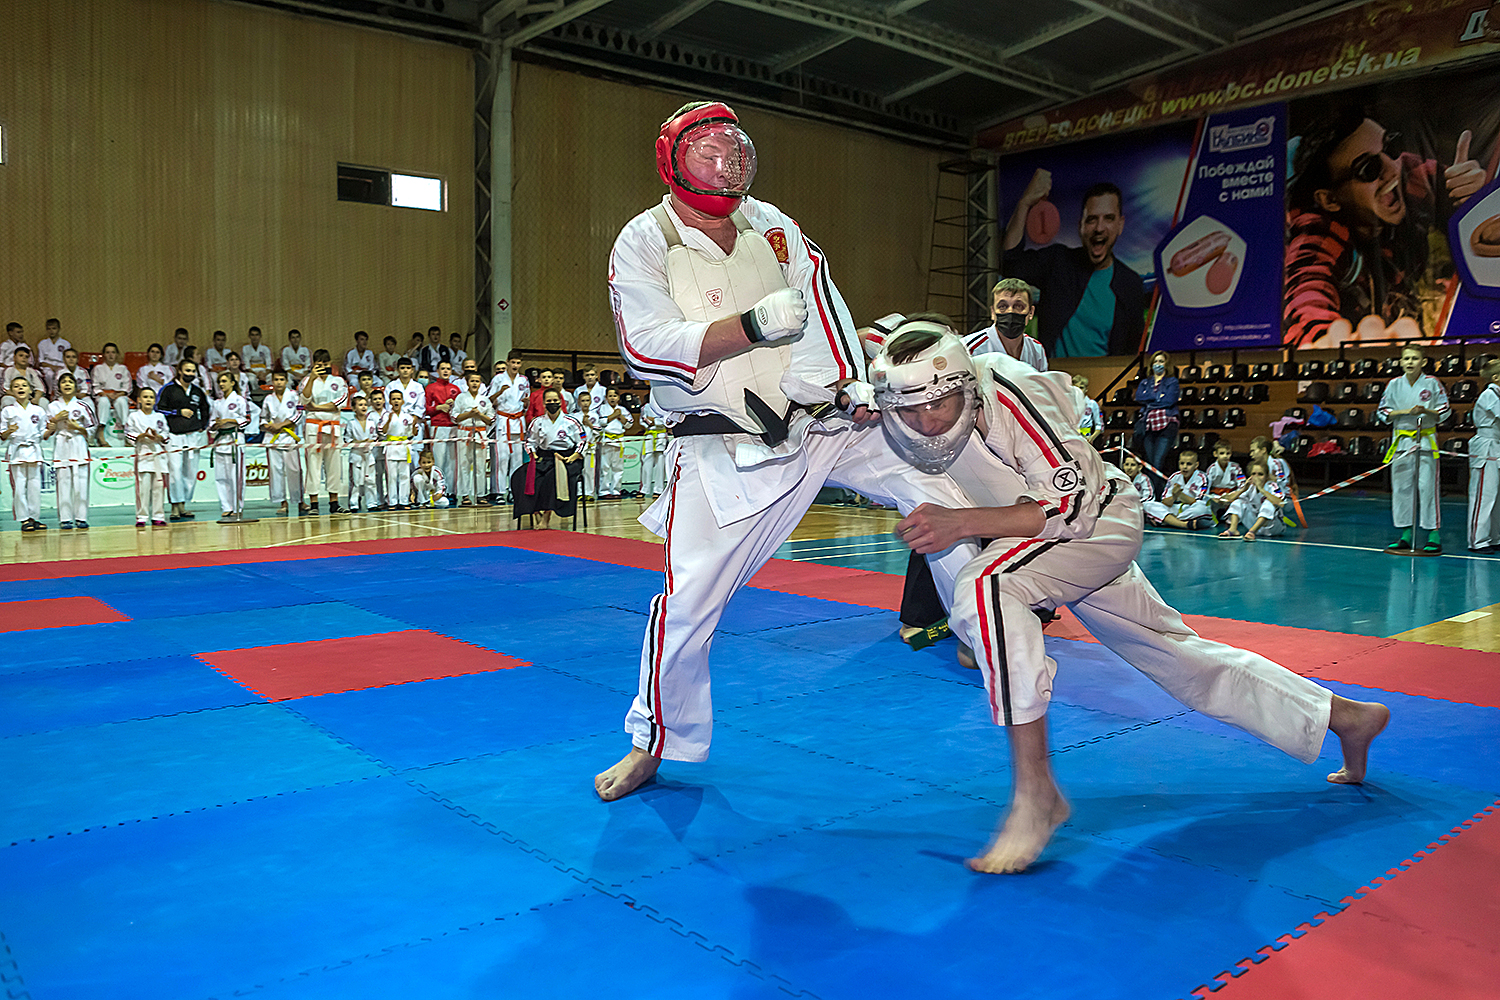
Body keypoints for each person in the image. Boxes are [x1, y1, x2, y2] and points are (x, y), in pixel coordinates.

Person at [868, 317, 1390, 872]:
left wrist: (961, 527)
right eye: (910, 410)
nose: (927, 419)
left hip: (1095, 523)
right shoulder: (887, 409)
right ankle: (1346, 717)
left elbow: (1070, 509)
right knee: (1180, 657)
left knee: (986, 585)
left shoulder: (1007, 397)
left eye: (942, 403)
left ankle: (1036, 793)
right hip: (1034, 545)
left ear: (966, 387)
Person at [594, 101, 983, 802]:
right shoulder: (644, 239)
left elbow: (824, 312)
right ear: (672, 160)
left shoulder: (773, 225)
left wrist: (847, 386)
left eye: (734, 150)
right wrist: (746, 326)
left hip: (823, 427)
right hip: (723, 448)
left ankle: (985, 630)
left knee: (946, 496)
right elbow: (645, 347)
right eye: (707, 152)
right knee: (687, 611)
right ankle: (652, 743)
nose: (726, 164)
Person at [1284, 109, 1486, 349]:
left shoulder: (1410, 174)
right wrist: (1321, 341)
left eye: (1390, 147)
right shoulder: (1318, 226)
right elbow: (1308, 291)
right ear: (1330, 200)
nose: (1392, 169)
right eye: (1368, 168)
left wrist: (1478, 197)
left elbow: (1466, 197)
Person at [1002, 174, 1145, 357]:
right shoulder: (1058, 261)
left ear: (1120, 225)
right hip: (1053, 381)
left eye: (1108, 218)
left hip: (1104, 381)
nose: (1099, 228)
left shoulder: (1130, 284)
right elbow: (1011, 264)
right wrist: (1024, 204)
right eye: (1092, 219)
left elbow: (1131, 352)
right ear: (1081, 226)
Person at [1378, 344, 1450, 554]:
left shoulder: (1432, 383)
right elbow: (1382, 411)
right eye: (1406, 358)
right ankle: (1406, 534)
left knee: (1427, 488)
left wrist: (1425, 410)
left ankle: (1433, 534)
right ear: (1401, 362)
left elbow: (1444, 410)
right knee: (1401, 489)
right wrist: (1403, 412)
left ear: (1423, 362)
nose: (1410, 362)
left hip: (1425, 441)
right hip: (1401, 442)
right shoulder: (1393, 385)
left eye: (1414, 358)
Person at [513, 386, 584, 529]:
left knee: (551, 477)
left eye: (555, 400)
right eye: (549, 401)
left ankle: (546, 517)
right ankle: (534, 511)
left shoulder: (571, 422)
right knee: (521, 475)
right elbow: (529, 442)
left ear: (560, 402)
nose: (552, 403)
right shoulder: (537, 422)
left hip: (567, 458)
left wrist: (575, 455)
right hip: (543, 457)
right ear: (544, 404)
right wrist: (532, 453)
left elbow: (583, 440)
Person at [157, 360, 210, 522]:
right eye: (187, 370)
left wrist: (203, 425)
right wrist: (178, 411)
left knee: (190, 472)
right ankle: (174, 505)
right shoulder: (168, 389)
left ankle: (183, 505)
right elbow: (158, 408)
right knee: (175, 471)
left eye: (193, 371)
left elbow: (205, 409)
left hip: (193, 435)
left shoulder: (197, 391)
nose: (190, 374)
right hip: (174, 435)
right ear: (180, 371)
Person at [300, 349, 349, 515]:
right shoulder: (307, 380)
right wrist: (312, 378)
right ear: (314, 364)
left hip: (333, 426)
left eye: (325, 364)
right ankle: (313, 504)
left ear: (330, 364)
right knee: (313, 464)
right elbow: (303, 402)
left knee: (334, 465)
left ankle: (334, 503)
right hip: (314, 426)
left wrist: (317, 407)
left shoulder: (339, 381)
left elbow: (340, 402)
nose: (322, 367)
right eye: (319, 364)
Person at [43, 372, 95, 530]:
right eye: (63, 382)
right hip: (62, 444)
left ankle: (81, 517)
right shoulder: (52, 406)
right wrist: (55, 420)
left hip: (78, 443)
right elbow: (46, 432)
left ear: (75, 386)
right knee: (63, 482)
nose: (67, 384)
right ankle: (65, 518)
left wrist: (78, 427)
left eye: (70, 382)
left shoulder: (83, 406)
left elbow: (92, 429)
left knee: (81, 483)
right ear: (59, 387)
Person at [964, 278, 1048, 369]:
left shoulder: (1037, 350)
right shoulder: (969, 349)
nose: (1010, 311)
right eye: (1002, 306)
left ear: (1031, 312)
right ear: (993, 313)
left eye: (1018, 306)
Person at [1, 376, 48, 532]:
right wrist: (9, 431)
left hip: (34, 450)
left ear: (30, 390)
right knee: (20, 486)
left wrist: (52, 428)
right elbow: (2, 434)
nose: (20, 388)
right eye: (16, 386)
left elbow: (43, 433)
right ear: (12, 391)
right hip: (17, 450)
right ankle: (23, 519)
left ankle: (34, 517)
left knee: (34, 486)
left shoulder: (39, 410)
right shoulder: (8, 410)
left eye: (23, 385)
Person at [209, 371, 253, 522]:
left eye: (224, 381)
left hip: (235, 439)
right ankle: (226, 507)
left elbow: (247, 419)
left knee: (236, 477)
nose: (221, 384)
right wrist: (215, 425)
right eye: (220, 381)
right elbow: (210, 423)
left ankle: (237, 506)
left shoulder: (240, 400)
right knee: (221, 477)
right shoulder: (217, 403)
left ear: (232, 383)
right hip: (221, 441)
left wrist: (229, 420)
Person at [260, 370, 304, 516]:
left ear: (286, 381)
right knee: (276, 471)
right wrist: (267, 426)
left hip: (289, 436)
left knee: (295, 470)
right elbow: (263, 418)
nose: (278, 382)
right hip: (273, 437)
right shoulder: (268, 399)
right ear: (272, 382)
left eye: (281, 379)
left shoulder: (293, 395)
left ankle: (299, 501)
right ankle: (282, 502)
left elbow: (299, 414)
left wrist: (282, 424)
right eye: (276, 379)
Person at [1468, 359, 1500, 551]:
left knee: (1496, 496)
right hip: (1486, 447)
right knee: (1484, 495)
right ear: (1496, 377)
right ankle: (1477, 540)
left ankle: (1495, 537)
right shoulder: (1489, 395)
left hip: (1497, 445)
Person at [489, 351, 530, 501]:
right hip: (503, 420)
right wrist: (500, 391)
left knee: (517, 459)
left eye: (518, 363)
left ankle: (515, 491)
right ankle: (500, 492)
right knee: (502, 458)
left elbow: (526, 400)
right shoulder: (498, 379)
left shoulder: (524, 380)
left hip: (518, 421)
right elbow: (489, 400)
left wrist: (526, 403)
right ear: (507, 362)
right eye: (513, 362)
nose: (516, 366)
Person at [1133, 350, 1179, 481]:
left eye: (1161, 362)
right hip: (1148, 426)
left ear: (1166, 364)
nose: (1158, 364)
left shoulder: (1172, 381)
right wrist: (1157, 398)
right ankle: (1151, 493)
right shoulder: (1145, 383)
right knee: (1149, 463)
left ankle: (1158, 496)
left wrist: (1150, 400)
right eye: (1156, 361)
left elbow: (1170, 400)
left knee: (1158, 463)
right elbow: (1139, 397)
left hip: (1167, 426)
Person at [453, 370, 495, 506]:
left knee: (480, 467)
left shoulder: (485, 400)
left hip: (480, 434)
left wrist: (479, 415)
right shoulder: (460, 398)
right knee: (464, 465)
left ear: (480, 383)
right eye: (472, 381)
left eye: (477, 381)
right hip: (464, 433)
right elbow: (455, 417)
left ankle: (481, 495)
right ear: (467, 382)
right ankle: (465, 495)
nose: (475, 383)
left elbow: (491, 420)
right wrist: (470, 414)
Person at [1222, 460, 1288, 541]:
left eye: (1260, 474)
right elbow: (1227, 500)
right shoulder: (1248, 486)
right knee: (1238, 501)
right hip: (1253, 521)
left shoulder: (1272, 486)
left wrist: (1262, 489)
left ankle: (1252, 531)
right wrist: (1242, 490)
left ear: (1266, 476)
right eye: (1253, 474)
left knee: (1268, 503)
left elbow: (1281, 504)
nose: (1256, 477)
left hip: (1272, 527)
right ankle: (1233, 530)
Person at [424, 359, 461, 501]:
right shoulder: (430, 388)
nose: (446, 371)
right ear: (438, 371)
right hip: (438, 426)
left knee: (452, 461)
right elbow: (426, 410)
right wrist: (439, 407)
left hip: (453, 427)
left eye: (448, 369)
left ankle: (451, 491)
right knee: (439, 460)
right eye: (443, 368)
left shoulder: (456, 389)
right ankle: (438, 491)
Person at [1152, 449, 1214, 530]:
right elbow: (1165, 501)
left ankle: (1168, 521)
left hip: (1190, 509)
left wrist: (1180, 495)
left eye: (1189, 464)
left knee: (1201, 508)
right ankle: (1183, 524)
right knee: (1149, 505)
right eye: (1182, 463)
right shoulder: (1174, 477)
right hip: (1175, 508)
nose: (1184, 467)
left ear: (1196, 465)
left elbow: (1198, 501)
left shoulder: (1202, 478)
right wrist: (1174, 497)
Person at [380, 391, 420, 510]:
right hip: (391, 447)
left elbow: (413, 433)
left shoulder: (408, 416)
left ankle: (404, 501)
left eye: (398, 399)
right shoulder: (386, 415)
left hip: (404, 446)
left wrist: (413, 425)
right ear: (390, 401)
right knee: (391, 476)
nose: (396, 401)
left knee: (404, 476)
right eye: (394, 399)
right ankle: (392, 502)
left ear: (402, 401)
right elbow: (383, 431)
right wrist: (389, 420)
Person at [92, 342, 133, 446]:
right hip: (103, 395)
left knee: (122, 402)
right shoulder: (98, 369)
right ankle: (101, 432)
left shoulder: (123, 369)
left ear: (117, 354)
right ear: (104, 355)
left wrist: (118, 394)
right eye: (108, 352)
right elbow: (95, 386)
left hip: (119, 395)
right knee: (103, 402)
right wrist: (105, 394)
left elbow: (127, 387)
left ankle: (127, 432)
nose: (111, 355)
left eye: (113, 352)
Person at [1205, 441, 1246, 521]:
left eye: (1228, 453)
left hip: (1232, 495)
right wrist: (1213, 497)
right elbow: (1206, 487)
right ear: (1215, 454)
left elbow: (1242, 485)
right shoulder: (1212, 469)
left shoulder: (1236, 467)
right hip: (1216, 496)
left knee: (1241, 501)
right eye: (1222, 453)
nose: (1225, 456)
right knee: (1205, 503)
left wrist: (1233, 495)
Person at [638, 398, 670, 497]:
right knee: (647, 462)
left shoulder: (665, 406)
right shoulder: (646, 407)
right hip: (650, 435)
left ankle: (658, 489)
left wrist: (654, 420)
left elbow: (667, 420)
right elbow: (642, 420)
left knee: (660, 463)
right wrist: (650, 422)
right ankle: (644, 489)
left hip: (661, 435)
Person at [36, 318, 70, 394]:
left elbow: (68, 359)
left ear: (59, 329)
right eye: (49, 329)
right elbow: (41, 361)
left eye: (54, 328)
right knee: (49, 374)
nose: (51, 331)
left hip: (61, 365)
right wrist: (52, 366)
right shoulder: (42, 343)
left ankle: (61, 393)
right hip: (47, 367)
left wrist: (59, 367)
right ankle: (50, 393)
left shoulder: (66, 344)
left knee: (62, 374)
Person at [1072, 374, 1102, 444]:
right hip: (1072, 437)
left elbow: (1099, 425)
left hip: (1086, 437)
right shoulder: (1069, 404)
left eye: (1081, 388)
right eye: (1076, 388)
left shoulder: (1092, 404)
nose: (1079, 390)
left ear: (1086, 389)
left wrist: (1092, 438)